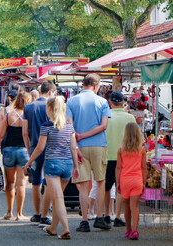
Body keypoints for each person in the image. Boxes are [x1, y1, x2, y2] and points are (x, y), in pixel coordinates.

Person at [24, 96, 80, 239]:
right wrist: (76, 167)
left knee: (58, 198)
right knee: (57, 197)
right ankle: (53, 227)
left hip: (53, 164)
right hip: (67, 163)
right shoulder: (69, 126)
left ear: (49, 109)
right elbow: (73, 147)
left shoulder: (47, 126)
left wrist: (29, 161)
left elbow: (40, 148)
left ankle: (66, 228)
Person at [66, 73, 111, 232]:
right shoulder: (102, 101)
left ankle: (84, 221)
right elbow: (103, 125)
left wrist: (77, 142)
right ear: (96, 86)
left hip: (79, 147)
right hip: (99, 145)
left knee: (83, 186)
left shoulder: (71, 101)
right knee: (100, 182)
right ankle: (99, 217)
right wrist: (86, 134)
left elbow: (69, 127)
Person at [22, 80, 58, 226]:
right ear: (50, 92)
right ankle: (44, 215)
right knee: (49, 182)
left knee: (35, 182)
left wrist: (29, 150)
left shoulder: (28, 107)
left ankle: (36, 213)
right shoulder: (52, 106)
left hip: (34, 146)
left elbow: (25, 132)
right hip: (50, 148)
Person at [0, 92, 30, 221]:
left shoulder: (9, 115)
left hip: (8, 150)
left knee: (10, 183)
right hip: (24, 151)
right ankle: (20, 214)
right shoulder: (28, 116)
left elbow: (1, 135)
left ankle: (9, 212)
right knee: (21, 184)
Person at [104, 91, 136, 227]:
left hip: (107, 155)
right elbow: (136, 137)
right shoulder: (130, 117)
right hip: (125, 157)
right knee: (121, 187)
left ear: (110, 102)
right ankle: (117, 216)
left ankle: (106, 214)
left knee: (106, 187)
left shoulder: (105, 117)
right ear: (123, 103)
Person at [115, 122, 146, 240]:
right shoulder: (141, 150)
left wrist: (118, 182)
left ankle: (128, 229)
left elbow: (118, 167)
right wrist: (143, 182)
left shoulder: (121, 150)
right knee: (135, 206)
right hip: (137, 179)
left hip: (125, 180)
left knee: (127, 206)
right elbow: (144, 167)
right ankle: (135, 230)